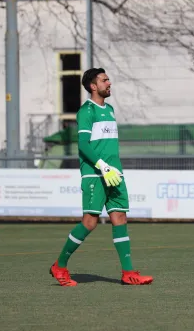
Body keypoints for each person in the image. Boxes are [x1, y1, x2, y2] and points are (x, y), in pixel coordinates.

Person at [50, 68, 153, 286]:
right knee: (89, 223)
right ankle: (59, 265)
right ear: (93, 86)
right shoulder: (86, 111)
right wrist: (102, 167)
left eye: (108, 79)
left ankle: (128, 273)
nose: (109, 83)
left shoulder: (111, 109)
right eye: (104, 80)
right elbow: (84, 145)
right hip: (95, 175)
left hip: (115, 174)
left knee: (120, 219)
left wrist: (112, 169)